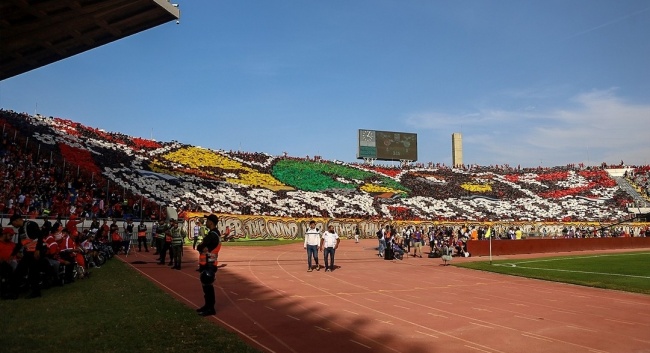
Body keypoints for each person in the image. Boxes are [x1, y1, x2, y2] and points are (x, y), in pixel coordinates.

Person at [10, 213, 46, 298]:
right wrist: (13, 254)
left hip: (35, 253)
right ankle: (15, 292)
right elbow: (20, 243)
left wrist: (37, 250)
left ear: (17, 220)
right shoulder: (21, 230)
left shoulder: (31, 225)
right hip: (28, 253)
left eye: (13, 223)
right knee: (19, 272)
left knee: (33, 273)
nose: (13, 225)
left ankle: (36, 292)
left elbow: (40, 236)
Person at [196, 214, 221, 316]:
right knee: (206, 286)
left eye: (207, 221)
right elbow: (202, 247)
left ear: (211, 222)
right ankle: (207, 305)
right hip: (207, 262)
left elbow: (200, 246)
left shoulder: (213, 235)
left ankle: (211, 308)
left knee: (208, 286)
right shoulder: (214, 233)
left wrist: (202, 246)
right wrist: (202, 247)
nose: (206, 222)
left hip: (209, 263)